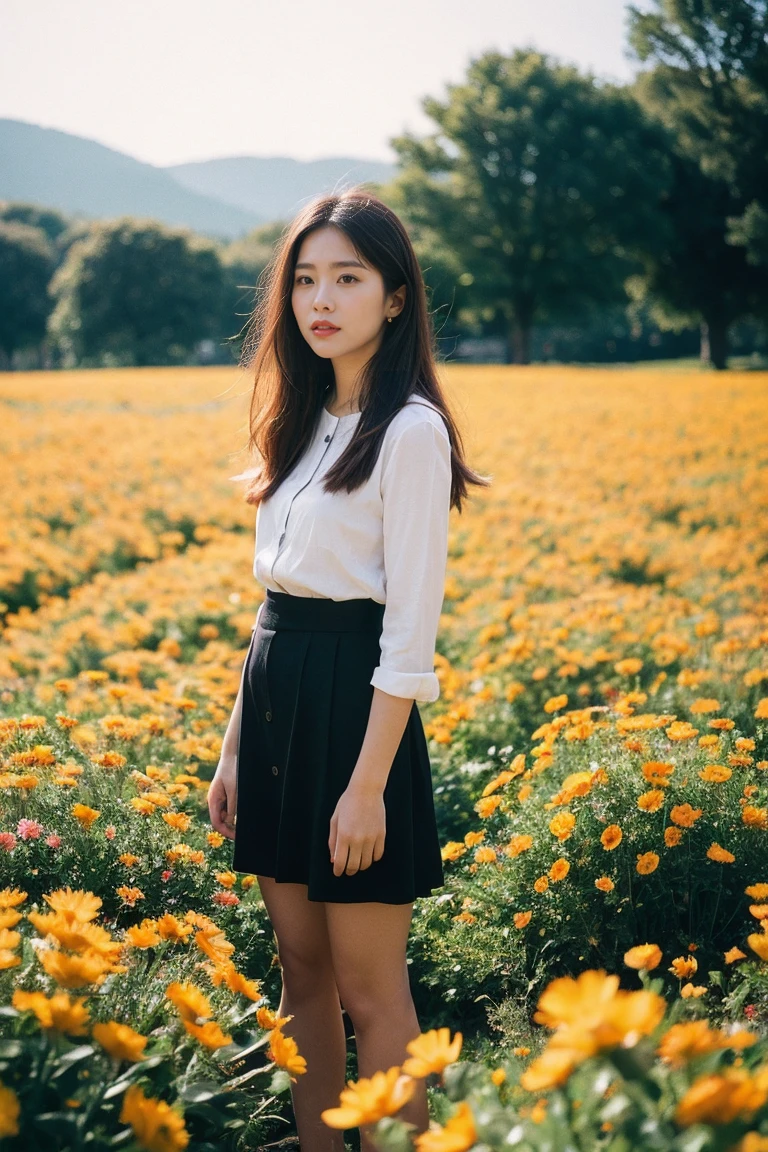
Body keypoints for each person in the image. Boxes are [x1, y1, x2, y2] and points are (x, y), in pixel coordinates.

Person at [208, 188, 490, 1152]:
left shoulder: (410, 431)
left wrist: (367, 787)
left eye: (348, 279)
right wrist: (233, 748)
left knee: (373, 992)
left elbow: (409, 636)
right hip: (280, 702)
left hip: (357, 716)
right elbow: (271, 606)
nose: (320, 300)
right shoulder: (300, 417)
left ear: (397, 296)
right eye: (306, 280)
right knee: (298, 974)